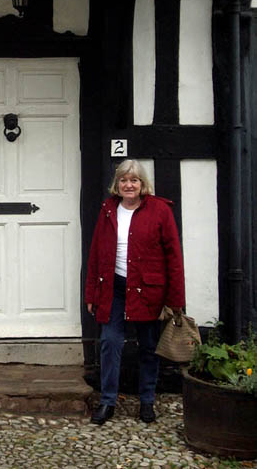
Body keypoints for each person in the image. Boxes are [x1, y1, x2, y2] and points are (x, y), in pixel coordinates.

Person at [85, 159, 185, 425]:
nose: (129, 185)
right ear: (117, 185)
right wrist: (91, 294)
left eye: (134, 180)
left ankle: (147, 402)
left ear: (143, 184)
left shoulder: (160, 211)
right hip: (114, 288)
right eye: (124, 180)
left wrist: (175, 301)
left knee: (149, 347)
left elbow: (173, 257)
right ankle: (107, 401)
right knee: (110, 342)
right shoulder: (108, 209)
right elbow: (95, 254)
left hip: (149, 290)